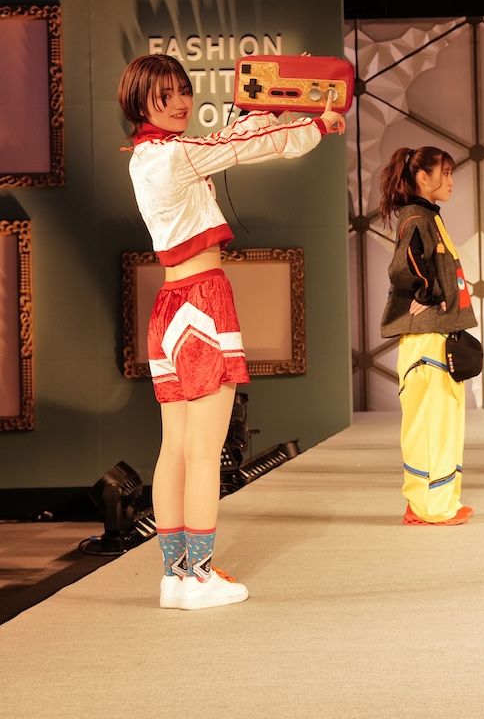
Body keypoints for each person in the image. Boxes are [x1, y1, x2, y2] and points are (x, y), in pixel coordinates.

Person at [119, 53, 344, 610]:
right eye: (165, 95)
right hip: (201, 302)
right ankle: (198, 577)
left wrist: (270, 103)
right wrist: (316, 122)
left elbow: (229, 140)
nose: (180, 102)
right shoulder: (174, 155)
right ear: (140, 101)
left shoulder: (151, 155)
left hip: (169, 308)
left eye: (183, 90)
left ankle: (175, 576)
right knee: (203, 451)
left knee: (176, 449)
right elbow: (243, 146)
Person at [378, 146, 477, 525]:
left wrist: (431, 291)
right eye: (445, 173)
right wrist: (427, 291)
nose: (451, 181)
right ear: (423, 177)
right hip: (426, 337)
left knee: (442, 419)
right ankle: (430, 507)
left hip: (436, 333)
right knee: (431, 421)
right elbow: (404, 263)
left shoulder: (426, 216)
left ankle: (439, 501)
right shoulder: (416, 217)